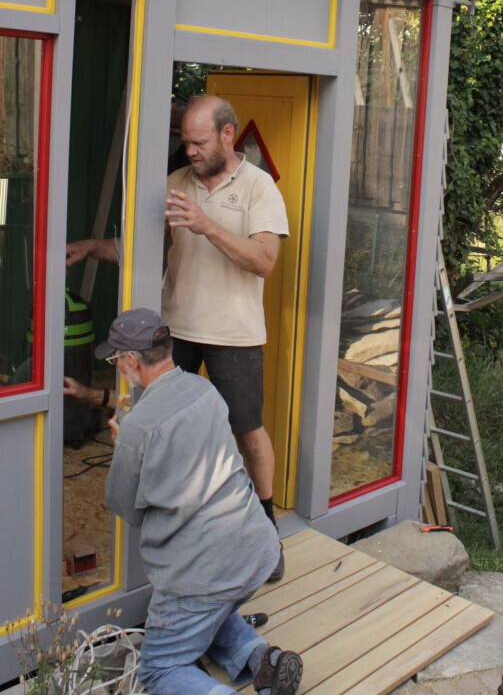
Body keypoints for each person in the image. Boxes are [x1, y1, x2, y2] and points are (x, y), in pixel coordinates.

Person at [66, 93, 289, 580]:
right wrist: (90, 248)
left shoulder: (259, 189)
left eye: (198, 142)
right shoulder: (174, 183)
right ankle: (173, 526)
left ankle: (266, 531)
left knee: (246, 432)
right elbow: (140, 247)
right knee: (160, 424)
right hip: (175, 333)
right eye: (185, 141)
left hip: (235, 335)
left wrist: (208, 225)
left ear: (227, 135)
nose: (188, 150)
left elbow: (265, 262)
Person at [98, 307, 303, 695]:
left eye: (115, 359)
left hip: (200, 570)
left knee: (159, 669)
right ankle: (264, 661)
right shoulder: (205, 390)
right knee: (211, 608)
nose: (117, 367)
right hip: (255, 552)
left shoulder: (136, 428)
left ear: (130, 362)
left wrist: (122, 447)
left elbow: (124, 506)